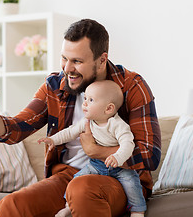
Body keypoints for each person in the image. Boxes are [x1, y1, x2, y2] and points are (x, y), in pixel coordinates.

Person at [0, 19, 161, 217]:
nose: (67, 68)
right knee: (13, 204)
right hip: (68, 176)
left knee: (81, 189)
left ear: (101, 60)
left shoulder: (131, 86)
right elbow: (18, 128)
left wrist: (97, 151)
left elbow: (150, 155)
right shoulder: (55, 86)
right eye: (65, 58)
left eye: (77, 61)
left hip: (121, 179)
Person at [38, 80, 147, 217]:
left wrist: (117, 157)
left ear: (108, 109)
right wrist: (53, 140)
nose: (84, 103)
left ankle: (137, 211)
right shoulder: (87, 122)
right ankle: (68, 206)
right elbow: (70, 132)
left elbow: (128, 144)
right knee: (76, 180)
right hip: (96, 165)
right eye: (85, 98)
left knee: (132, 183)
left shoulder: (118, 125)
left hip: (120, 167)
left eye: (91, 100)